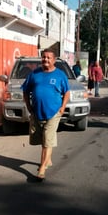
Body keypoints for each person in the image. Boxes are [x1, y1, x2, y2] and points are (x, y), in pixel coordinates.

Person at [21, 49, 70, 181]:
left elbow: (67, 92)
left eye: (49, 58)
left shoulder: (60, 75)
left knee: (47, 140)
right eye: (43, 57)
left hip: (53, 112)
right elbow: (25, 90)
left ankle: (42, 168)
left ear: (54, 60)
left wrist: (62, 107)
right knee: (41, 139)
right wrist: (28, 105)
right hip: (37, 112)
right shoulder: (34, 74)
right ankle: (47, 160)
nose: (46, 60)